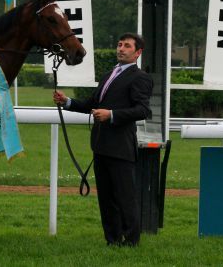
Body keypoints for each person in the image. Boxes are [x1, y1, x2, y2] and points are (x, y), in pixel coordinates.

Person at [53, 32, 153, 246]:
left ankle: (131, 241)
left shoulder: (140, 77)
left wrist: (112, 115)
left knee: (125, 198)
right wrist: (67, 102)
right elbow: (92, 103)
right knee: (106, 199)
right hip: (100, 146)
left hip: (121, 147)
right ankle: (112, 240)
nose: (121, 48)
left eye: (127, 46)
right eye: (119, 44)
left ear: (138, 53)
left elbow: (142, 110)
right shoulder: (110, 74)